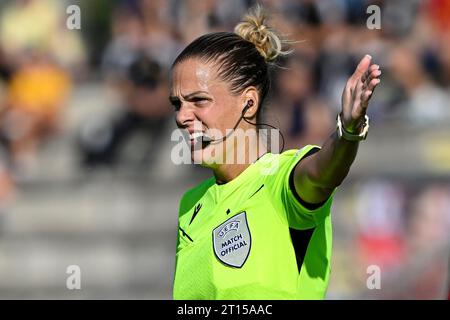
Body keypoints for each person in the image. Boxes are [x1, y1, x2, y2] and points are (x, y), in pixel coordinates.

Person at [170, 6, 381, 300]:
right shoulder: (191, 206)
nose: (182, 116)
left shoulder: (280, 180)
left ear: (249, 103)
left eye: (198, 100)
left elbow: (324, 172)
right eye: (177, 104)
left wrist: (348, 132)